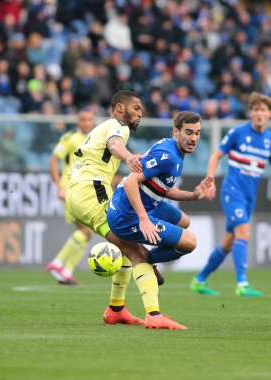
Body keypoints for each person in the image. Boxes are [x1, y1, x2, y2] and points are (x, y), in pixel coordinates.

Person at [65, 90, 165, 328]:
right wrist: (129, 156)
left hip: (79, 192)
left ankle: (116, 309)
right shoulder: (117, 126)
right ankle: (154, 314)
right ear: (121, 108)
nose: (141, 114)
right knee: (136, 249)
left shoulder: (105, 127)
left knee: (126, 245)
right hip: (92, 190)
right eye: (136, 108)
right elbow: (115, 144)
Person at [107, 111, 213, 329]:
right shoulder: (168, 154)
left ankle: (150, 259)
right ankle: (148, 261)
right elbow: (130, 182)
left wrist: (192, 196)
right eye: (189, 132)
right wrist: (144, 220)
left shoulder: (176, 151)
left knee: (184, 221)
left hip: (149, 202)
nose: (193, 138)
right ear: (176, 132)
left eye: (198, 133)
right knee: (190, 242)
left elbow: (161, 188)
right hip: (126, 215)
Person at [190, 92, 271, 297]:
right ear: (250, 113)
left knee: (228, 242)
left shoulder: (269, 139)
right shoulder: (238, 133)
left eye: (263, 110)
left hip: (250, 196)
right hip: (232, 189)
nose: (259, 113)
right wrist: (210, 181)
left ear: (269, 113)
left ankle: (199, 280)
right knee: (244, 232)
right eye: (255, 110)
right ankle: (242, 284)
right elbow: (216, 155)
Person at [46, 110, 94, 285]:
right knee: (85, 231)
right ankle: (58, 263)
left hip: (85, 190)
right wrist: (59, 186)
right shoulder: (70, 138)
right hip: (70, 189)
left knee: (86, 233)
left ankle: (65, 272)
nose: (87, 123)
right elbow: (53, 160)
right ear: (78, 121)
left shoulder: (95, 137)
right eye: (83, 119)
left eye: (89, 119)